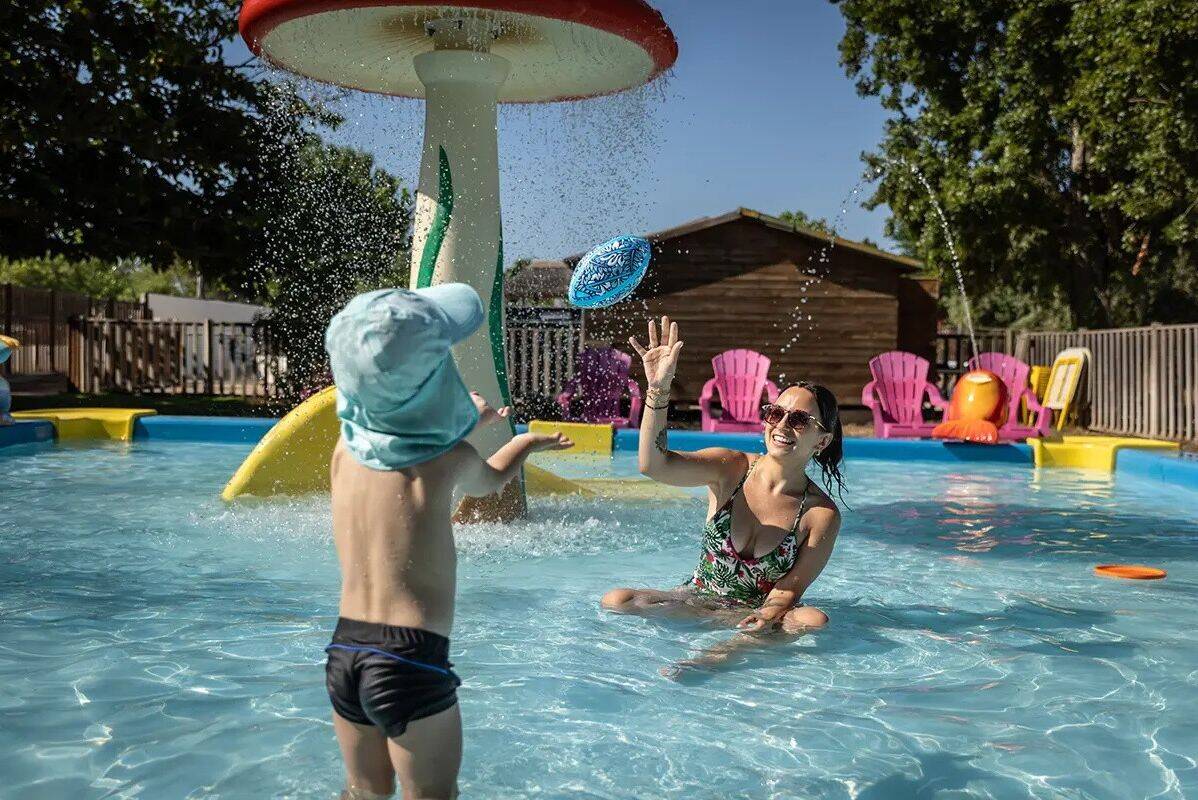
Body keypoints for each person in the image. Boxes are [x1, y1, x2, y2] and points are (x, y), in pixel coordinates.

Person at [322, 285, 571, 800]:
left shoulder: (342, 455)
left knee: (363, 792)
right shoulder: (447, 459)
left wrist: (456, 425)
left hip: (344, 651)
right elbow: (491, 480)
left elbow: (394, 438)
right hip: (410, 658)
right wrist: (524, 441)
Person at [601, 316, 844, 676]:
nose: (781, 426)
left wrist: (761, 619)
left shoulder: (820, 514)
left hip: (761, 613)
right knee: (617, 600)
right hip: (699, 599)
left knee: (811, 620)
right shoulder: (730, 467)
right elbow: (654, 465)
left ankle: (717, 661)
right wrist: (658, 391)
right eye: (776, 413)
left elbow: (788, 591)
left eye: (798, 420)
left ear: (821, 441)